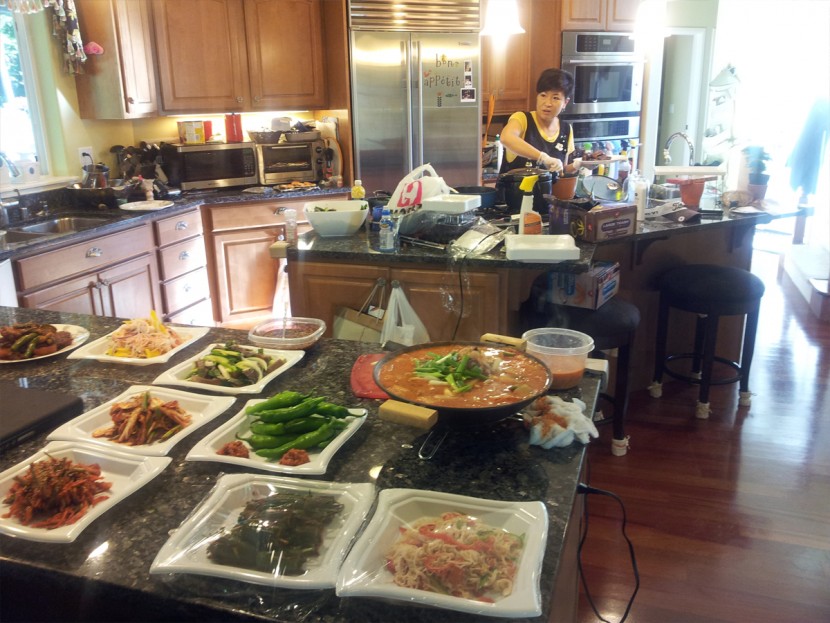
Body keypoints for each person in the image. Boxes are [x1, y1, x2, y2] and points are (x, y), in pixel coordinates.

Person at [499, 68, 582, 175]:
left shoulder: (566, 130)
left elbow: (561, 170)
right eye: (543, 95)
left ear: (565, 102)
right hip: (514, 186)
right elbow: (506, 138)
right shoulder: (522, 119)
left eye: (555, 98)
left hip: (549, 187)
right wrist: (542, 157)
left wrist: (578, 165)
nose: (547, 103)